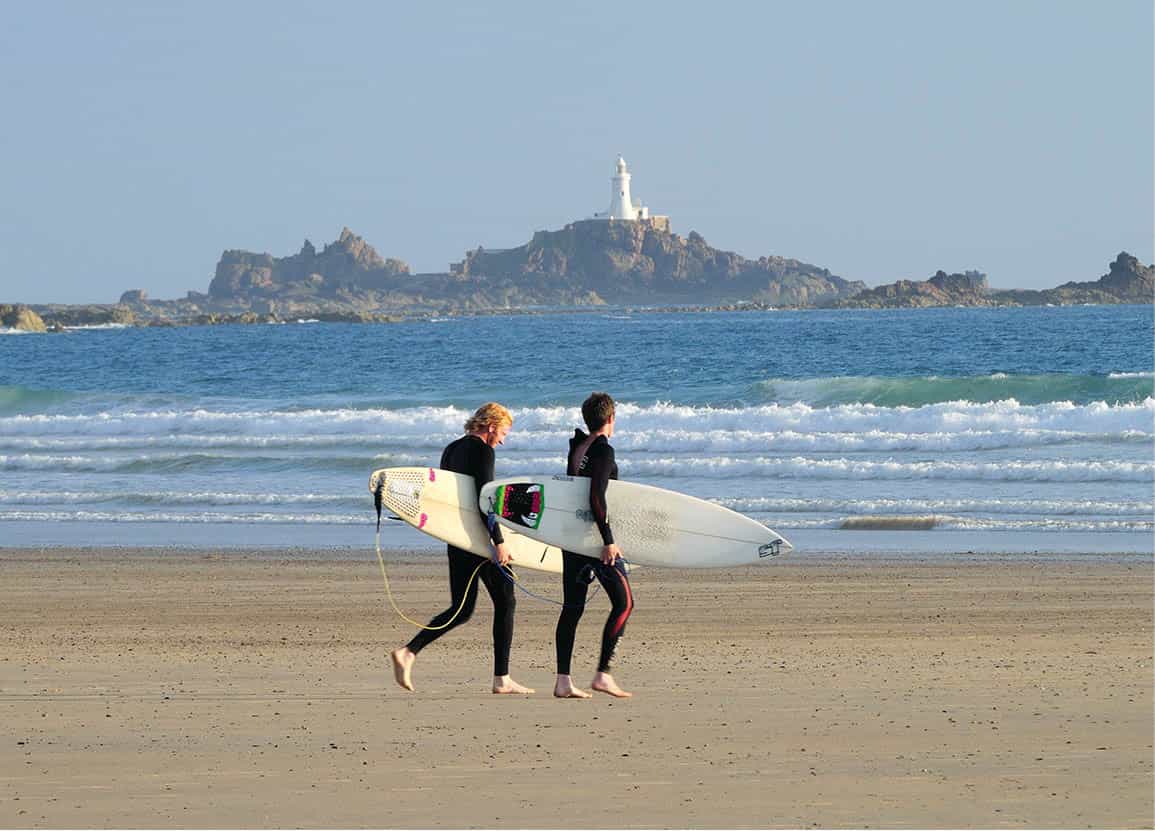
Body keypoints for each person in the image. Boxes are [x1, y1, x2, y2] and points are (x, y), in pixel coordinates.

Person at [390, 403, 534, 695]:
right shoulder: (483, 451)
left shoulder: (451, 449)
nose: (503, 440)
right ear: (491, 426)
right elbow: (484, 500)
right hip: (478, 539)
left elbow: (446, 496)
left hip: (455, 538)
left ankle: (409, 652)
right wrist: (498, 541)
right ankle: (501, 679)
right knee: (506, 601)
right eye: (503, 432)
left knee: (462, 608)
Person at [554, 392, 635, 699]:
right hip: (593, 541)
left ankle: (563, 682)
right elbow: (596, 499)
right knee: (624, 604)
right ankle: (603, 674)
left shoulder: (577, 447)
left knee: (572, 608)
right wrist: (609, 541)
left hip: (571, 538)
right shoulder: (604, 451)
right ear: (611, 418)